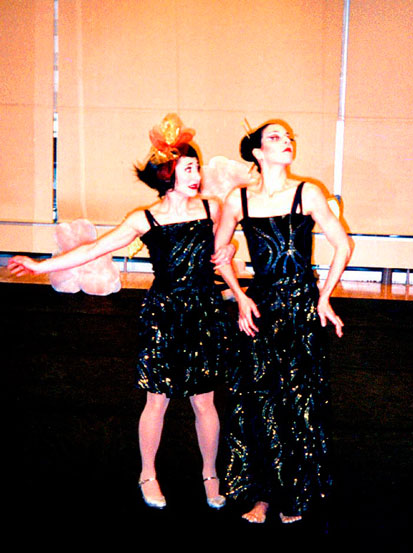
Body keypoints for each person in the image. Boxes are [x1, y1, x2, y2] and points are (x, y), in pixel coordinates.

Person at [8, 113, 233, 510]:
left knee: (204, 400)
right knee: (157, 400)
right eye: (187, 168)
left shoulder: (211, 209)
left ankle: (210, 473)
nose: (196, 175)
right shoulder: (144, 218)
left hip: (204, 313)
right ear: (167, 173)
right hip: (164, 315)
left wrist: (229, 251)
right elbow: (94, 249)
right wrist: (41, 266)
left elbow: (225, 244)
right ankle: (148, 473)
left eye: (197, 167)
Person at [212, 119, 353, 524]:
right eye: (275, 138)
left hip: (300, 307)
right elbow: (219, 254)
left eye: (289, 137)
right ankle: (262, 496)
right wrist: (239, 296)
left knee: (299, 399)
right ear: (258, 152)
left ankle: (296, 492)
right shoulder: (238, 200)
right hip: (260, 307)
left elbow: (343, 245)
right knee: (259, 399)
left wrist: (324, 297)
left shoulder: (307, 192)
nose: (286, 142)